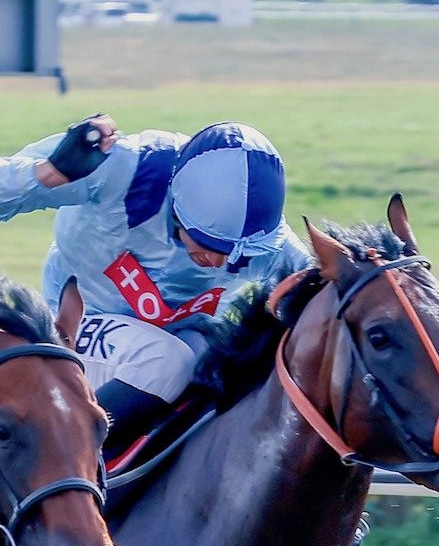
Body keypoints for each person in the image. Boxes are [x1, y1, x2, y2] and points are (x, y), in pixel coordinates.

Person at [0, 115, 311, 451]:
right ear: (177, 208)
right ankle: (54, 457)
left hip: (183, 339)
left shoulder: (272, 243)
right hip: (76, 323)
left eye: (238, 251)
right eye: (211, 243)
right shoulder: (122, 168)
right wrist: (46, 173)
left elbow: (328, 290)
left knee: (220, 366)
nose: (220, 261)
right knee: (165, 361)